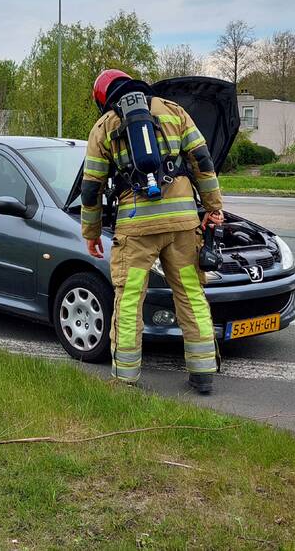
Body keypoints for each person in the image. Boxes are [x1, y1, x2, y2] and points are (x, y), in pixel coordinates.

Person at [81, 69, 224, 394]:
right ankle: (203, 373)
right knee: (190, 293)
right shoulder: (174, 111)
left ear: (102, 98)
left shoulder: (104, 126)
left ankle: (125, 378)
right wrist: (213, 206)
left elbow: (91, 189)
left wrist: (91, 232)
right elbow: (202, 160)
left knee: (130, 299)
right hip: (182, 224)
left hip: (137, 228)